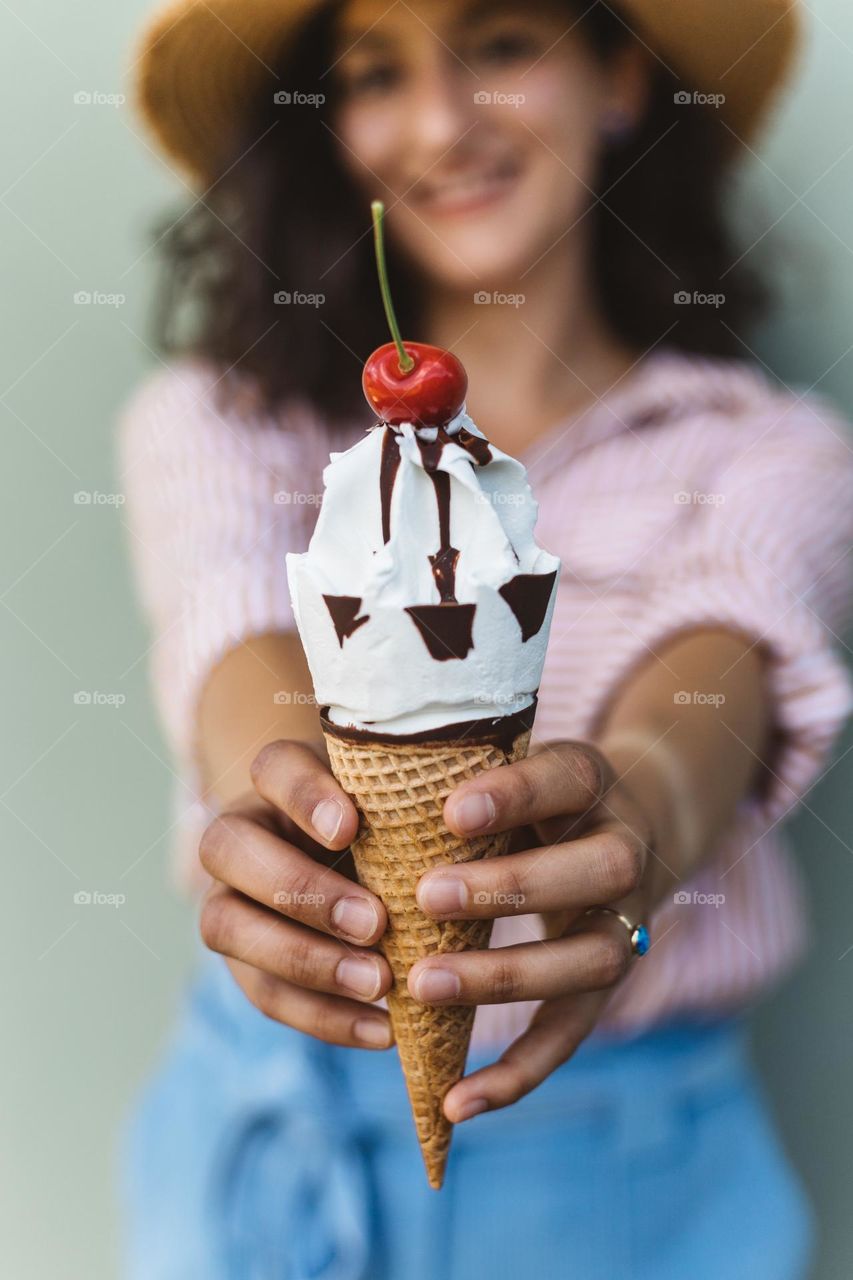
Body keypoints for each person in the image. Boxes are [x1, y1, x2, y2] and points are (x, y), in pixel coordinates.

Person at [119, 0, 853, 1275]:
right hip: (263, 1139)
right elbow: (233, 634)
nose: (442, 123)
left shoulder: (767, 451)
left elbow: (709, 687)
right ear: (329, 129)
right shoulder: (230, 419)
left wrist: (644, 820)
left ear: (618, 77)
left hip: (632, 1181)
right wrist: (277, 801)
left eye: (502, 46)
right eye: (373, 74)